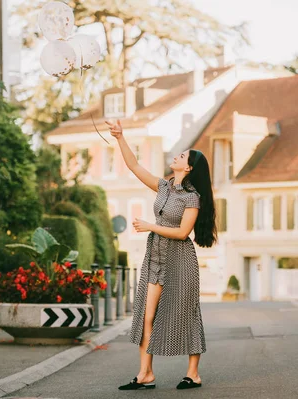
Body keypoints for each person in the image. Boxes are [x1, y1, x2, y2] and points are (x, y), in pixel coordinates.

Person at [106, 120, 217, 391]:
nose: (176, 156)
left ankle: (193, 373)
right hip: (155, 258)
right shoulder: (165, 187)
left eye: (182, 156)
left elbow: (181, 233)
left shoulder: (192, 198)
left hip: (180, 260)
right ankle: (145, 374)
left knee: (187, 315)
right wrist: (121, 137)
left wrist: (150, 226)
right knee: (147, 315)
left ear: (188, 168)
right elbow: (134, 166)